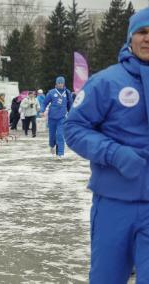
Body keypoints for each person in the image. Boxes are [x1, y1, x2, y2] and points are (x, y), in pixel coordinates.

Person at [65, 8, 149, 282]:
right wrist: (114, 153)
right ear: (130, 37)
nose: (148, 39)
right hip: (115, 203)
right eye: (142, 32)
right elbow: (74, 128)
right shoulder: (106, 82)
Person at [40, 76, 72, 159]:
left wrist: (72, 114)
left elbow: (71, 106)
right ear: (56, 84)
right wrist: (42, 110)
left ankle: (60, 154)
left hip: (62, 118)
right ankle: (52, 146)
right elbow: (44, 103)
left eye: (62, 83)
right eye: (59, 83)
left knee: (60, 135)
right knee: (52, 136)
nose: (60, 84)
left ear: (64, 83)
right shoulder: (51, 92)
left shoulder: (67, 93)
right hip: (52, 118)